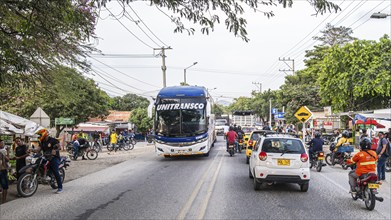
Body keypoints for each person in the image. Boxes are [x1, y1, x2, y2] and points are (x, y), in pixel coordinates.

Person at [32, 128, 63, 194]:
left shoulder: (53, 140)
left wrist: (55, 149)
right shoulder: (42, 141)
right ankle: (43, 176)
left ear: (44, 134)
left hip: (54, 157)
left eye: (40, 135)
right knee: (37, 164)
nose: (39, 136)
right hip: (45, 157)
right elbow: (38, 149)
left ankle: (60, 187)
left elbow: (59, 147)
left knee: (55, 171)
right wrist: (32, 150)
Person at [0, 139, 10, 203]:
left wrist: (7, 152)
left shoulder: (4, 151)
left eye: (3, 143)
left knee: (5, 186)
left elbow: (8, 160)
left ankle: (4, 200)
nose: (2, 144)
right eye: (1, 143)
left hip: (3, 170)